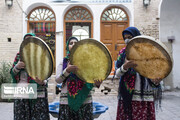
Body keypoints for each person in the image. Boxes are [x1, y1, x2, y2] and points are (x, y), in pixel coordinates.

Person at [115, 27, 161, 120]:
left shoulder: (147, 53)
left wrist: (156, 80)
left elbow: (154, 72)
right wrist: (125, 67)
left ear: (137, 36)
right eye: (125, 38)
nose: (127, 40)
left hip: (144, 95)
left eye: (130, 36)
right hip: (127, 96)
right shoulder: (123, 53)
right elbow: (117, 74)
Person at [56, 37, 102, 120]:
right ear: (67, 47)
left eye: (75, 43)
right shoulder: (63, 62)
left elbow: (90, 80)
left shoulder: (87, 62)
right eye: (71, 43)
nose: (73, 44)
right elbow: (58, 80)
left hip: (85, 100)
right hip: (66, 101)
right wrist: (67, 71)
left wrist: (97, 83)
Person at [10, 33, 50, 120]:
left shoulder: (41, 56)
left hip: (38, 92)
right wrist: (17, 67)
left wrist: (43, 82)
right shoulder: (19, 56)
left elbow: (47, 74)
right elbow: (12, 73)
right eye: (26, 41)